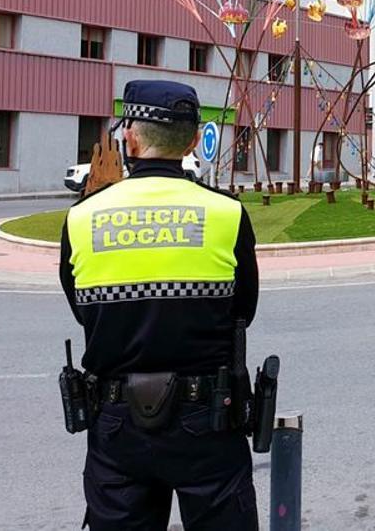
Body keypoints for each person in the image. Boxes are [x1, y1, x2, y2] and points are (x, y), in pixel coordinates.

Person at [60, 80, 260, 529]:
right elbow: (243, 310)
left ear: (128, 136)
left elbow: (82, 309)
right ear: (192, 141)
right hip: (208, 418)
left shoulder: (82, 217)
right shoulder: (226, 213)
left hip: (116, 425)